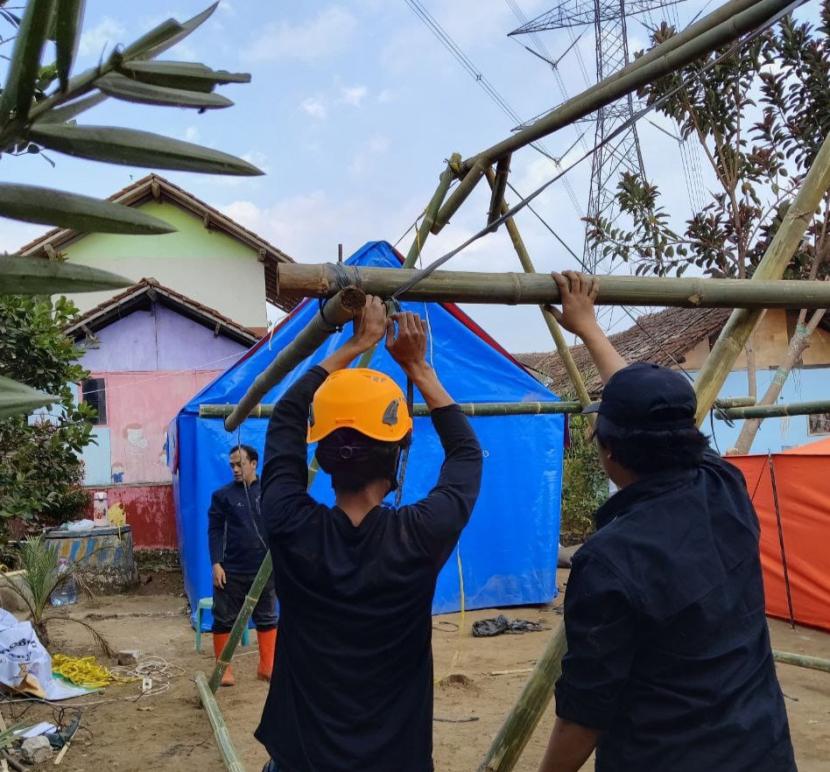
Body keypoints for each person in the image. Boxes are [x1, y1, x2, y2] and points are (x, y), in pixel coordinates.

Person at [538, 272, 796, 772]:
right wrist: (589, 329)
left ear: (608, 451)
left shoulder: (610, 560)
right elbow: (666, 419)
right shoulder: (725, 488)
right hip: (760, 750)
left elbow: (585, 713)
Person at [255, 297, 482, 772]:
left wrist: (355, 345)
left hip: (302, 758)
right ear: (398, 456)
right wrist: (418, 367)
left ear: (326, 459)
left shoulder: (291, 524)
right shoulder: (419, 536)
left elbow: (285, 418)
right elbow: (466, 455)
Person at [207, 444, 277, 687]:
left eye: (240, 464)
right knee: (224, 619)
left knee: (267, 617)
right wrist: (216, 563)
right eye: (232, 465)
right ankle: (223, 669)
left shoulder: (269, 492)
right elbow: (215, 531)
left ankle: (267, 666)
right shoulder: (222, 496)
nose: (235, 469)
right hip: (231, 570)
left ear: (254, 463)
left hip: (264, 570)